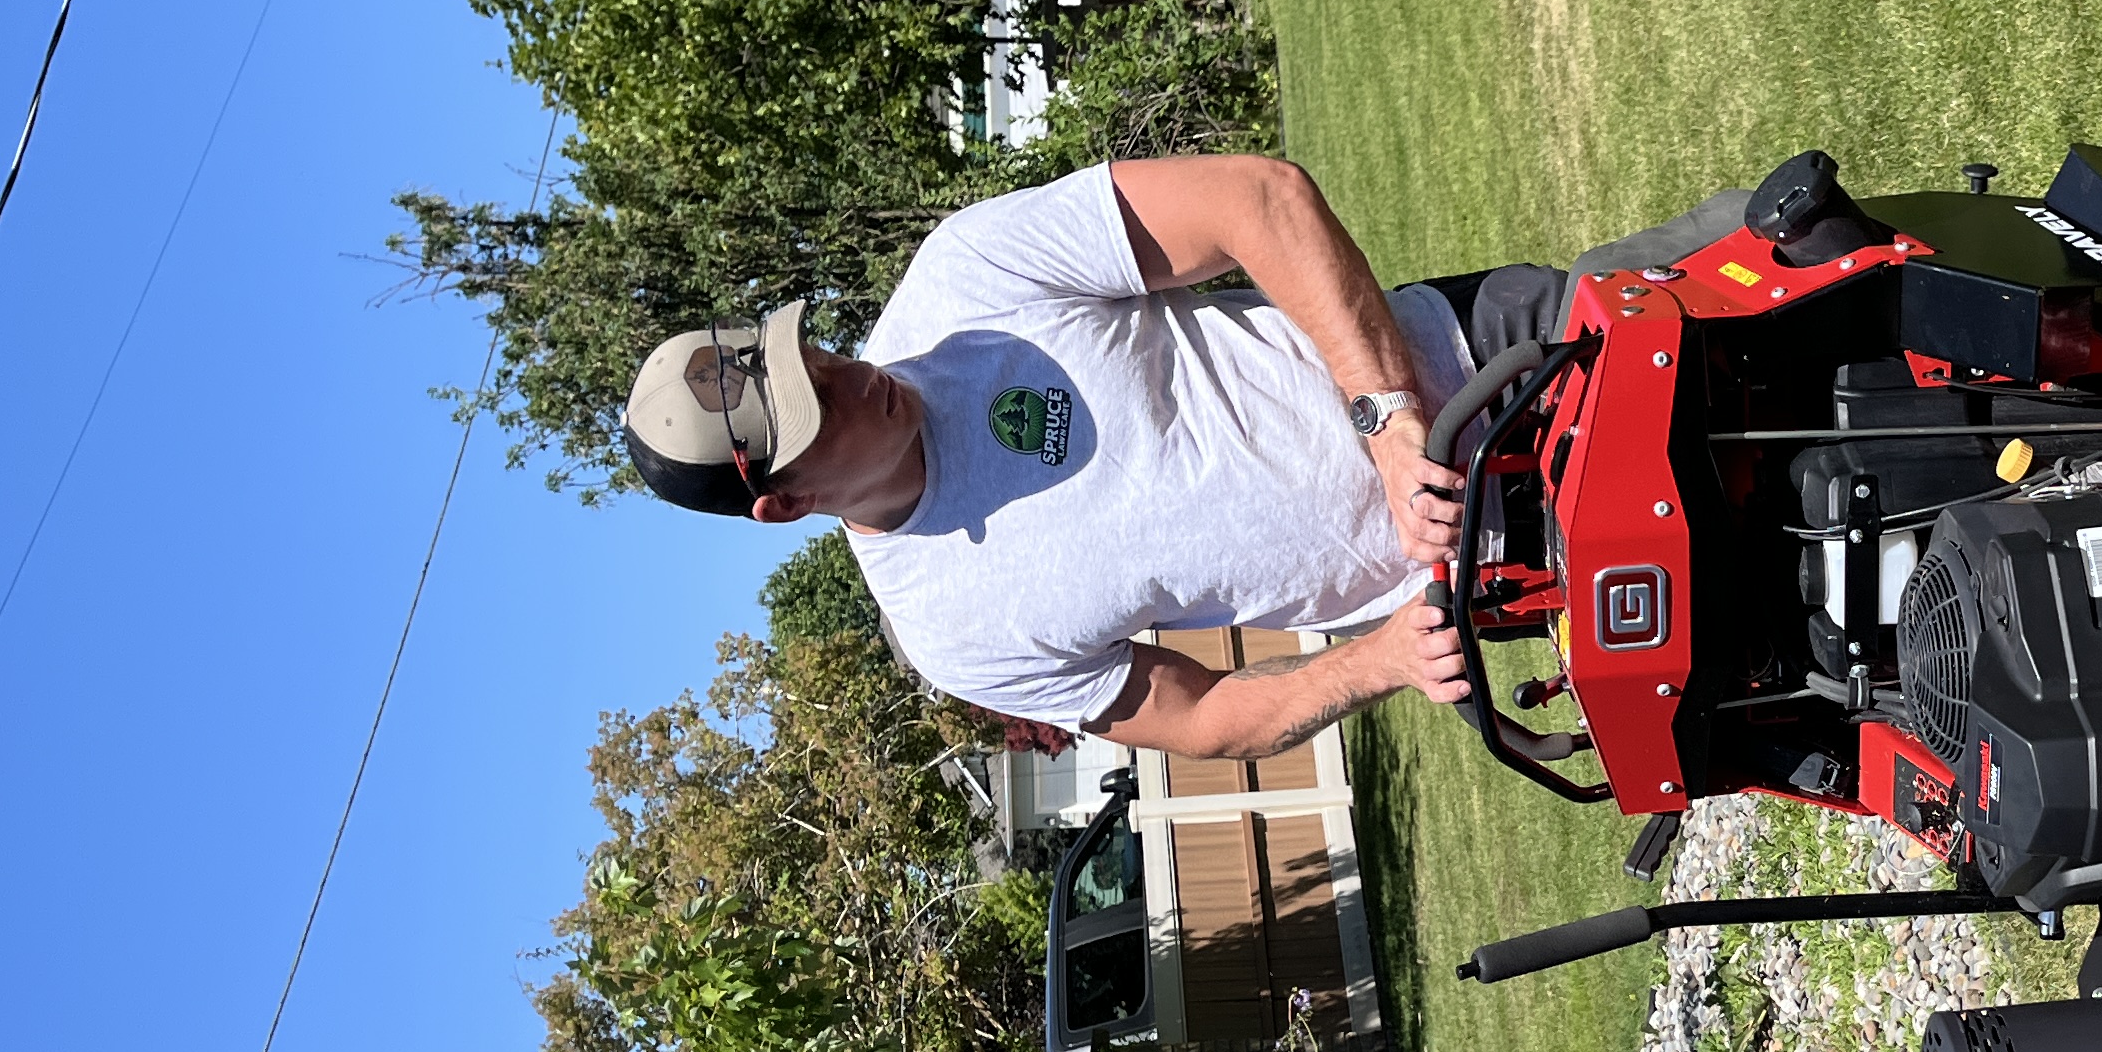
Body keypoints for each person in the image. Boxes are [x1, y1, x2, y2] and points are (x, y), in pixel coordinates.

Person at [621, 151, 1571, 761]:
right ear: (783, 504)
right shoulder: (956, 634)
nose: (847, 371)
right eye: (812, 403)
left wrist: (1390, 418)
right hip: (1505, 574)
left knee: (1722, 271)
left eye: (810, 354)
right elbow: (1195, 718)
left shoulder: (965, 275)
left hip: (1496, 360)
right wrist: (1376, 663)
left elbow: (1257, 199)